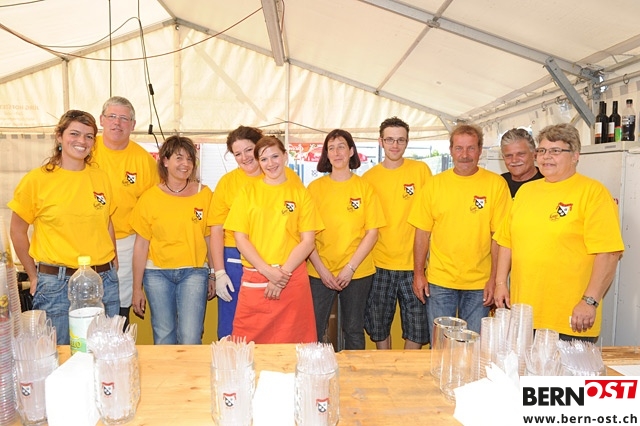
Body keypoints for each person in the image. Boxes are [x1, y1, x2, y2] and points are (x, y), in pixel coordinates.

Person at [494, 123, 623, 341]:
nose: (546, 157)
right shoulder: (525, 192)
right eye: (542, 150)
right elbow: (507, 241)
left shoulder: (593, 193)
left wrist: (590, 301)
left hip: (571, 318)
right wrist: (500, 284)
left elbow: (609, 253)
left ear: (575, 156)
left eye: (555, 151)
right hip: (524, 316)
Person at [8, 110, 120, 344]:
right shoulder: (36, 181)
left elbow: (107, 222)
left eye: (89, 136)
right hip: (57, 285)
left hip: (104, 280)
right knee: (61, 355)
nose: (82, 141)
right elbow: (17, 231)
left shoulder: (101, 178)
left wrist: (114, 262)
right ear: (59, 136)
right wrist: (33, 274)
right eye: (74, 134)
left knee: (105, 352)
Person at [409, 124, 511, 334]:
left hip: (479, 284)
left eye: (471, 148)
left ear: (480, 150)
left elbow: (499, 238)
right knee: (441, 346)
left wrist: (494, 279)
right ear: (451, 150)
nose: (465, 155)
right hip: (439, 282)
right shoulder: (434, 185)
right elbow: (422, 233)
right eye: (459, 148)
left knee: (472, 346)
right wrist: (418, 274)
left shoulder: (496, 185)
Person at [224, 136, 323, 344]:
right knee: (246, 345)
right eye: (264, 159)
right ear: (259, 163)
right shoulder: (247, 193)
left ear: (285, 156)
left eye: (275, 156)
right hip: (256, 276)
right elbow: (240, 238)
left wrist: (282, 275)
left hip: (292, 278)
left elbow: (308, 242)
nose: (270, 163)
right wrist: (268, 272)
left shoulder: (301, 194)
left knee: (296, 345)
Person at [208, 126, 304, 339]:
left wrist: (284, 268)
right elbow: (216, 229)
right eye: (237, 154)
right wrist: (219, 272)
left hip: (280, 259)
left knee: (277, 323)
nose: (244, 158)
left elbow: (301, 223)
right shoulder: (228, 183)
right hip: (236, 258)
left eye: (248, 150)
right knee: (234, 322)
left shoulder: (287, 176)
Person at [130, 135, 214, 344]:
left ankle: (189, 368)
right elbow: (141, 245)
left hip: (194, 272)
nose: (185, 164)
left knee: (191, 336)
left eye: (189, 159)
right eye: (179, 158)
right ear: (165, 161)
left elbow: (209, 238)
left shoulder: (205, 194)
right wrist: (136, 288)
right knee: (164, 337)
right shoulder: (149, 198)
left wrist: (213, 274)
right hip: (156, 274)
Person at [307, 129, 386, 349]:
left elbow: (372, 233)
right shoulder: (314, 189)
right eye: (331, 148)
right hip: (319, 270)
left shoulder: (365, 188)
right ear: (326, 154)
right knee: (314, 329)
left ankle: (355, 372)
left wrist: (350, 268)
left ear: (351, 151)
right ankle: (316, 370)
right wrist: (322, 271)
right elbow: (306, 236)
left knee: (353, 329)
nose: (336, 152)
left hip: (357, 271)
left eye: (341, 146)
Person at [362, 117, 432, 349]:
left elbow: (431, 215)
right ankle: (384, 366)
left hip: (415, 266)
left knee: (417, 328)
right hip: (379, 264)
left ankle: (408, 368)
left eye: (400, 140)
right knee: (378, 326)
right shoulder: (368, 179)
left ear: (407, 142)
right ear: (380, 141)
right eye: (390, 139)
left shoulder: (421, 171)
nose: (395, 145)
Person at [93, 96, 158, 324]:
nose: (117, 123)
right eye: (112, 116)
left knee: (119, 306)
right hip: (86, 240)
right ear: (101, 120)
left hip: (127, 242)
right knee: (87, 303)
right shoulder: (86, 150)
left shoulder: (144, 161)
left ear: (133, 124)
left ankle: (117, 343)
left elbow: (154, 208)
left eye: (124, 118)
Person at [499, 128, 543, 197]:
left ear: (534, 154)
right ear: (503, 158)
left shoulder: (548, 181)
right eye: (509, 156)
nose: (514, 160)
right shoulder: (498, 183)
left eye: (520, 154)